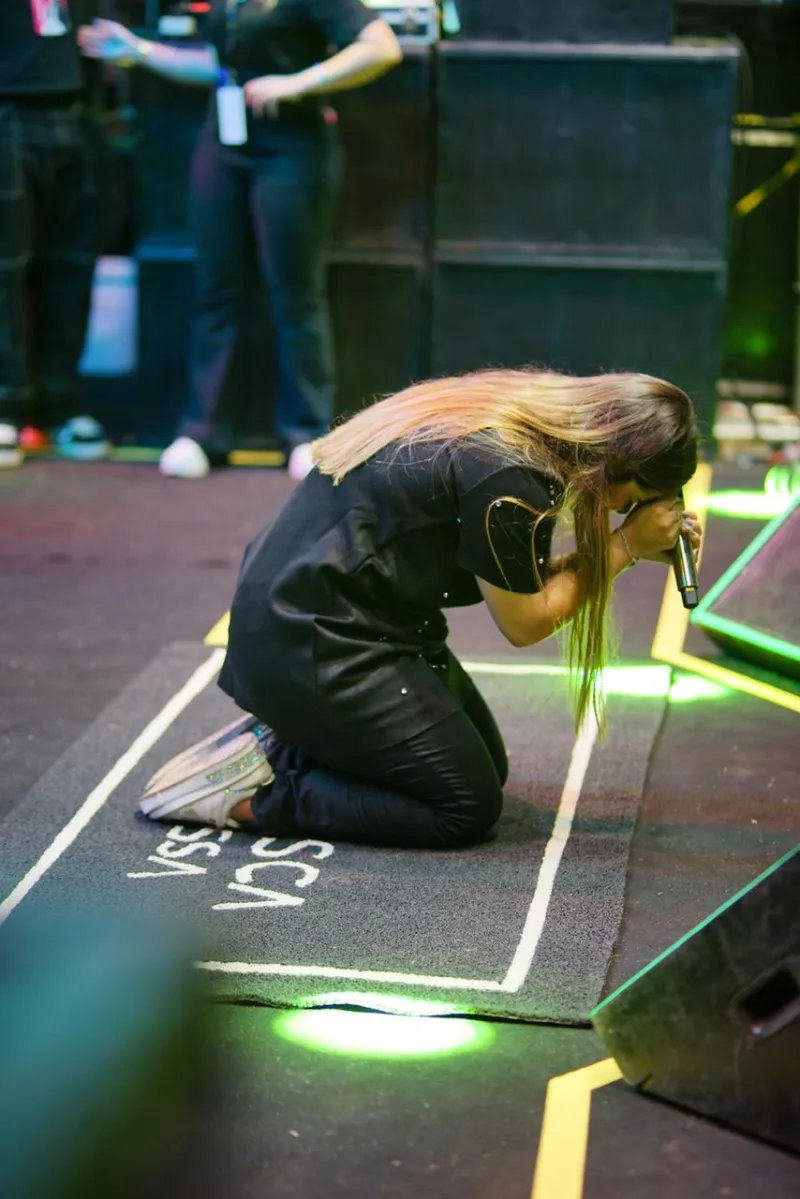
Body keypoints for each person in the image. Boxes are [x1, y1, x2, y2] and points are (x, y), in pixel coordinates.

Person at [138, 367, 704, 850]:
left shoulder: (522, 416)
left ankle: (292, 735)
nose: (617, 512)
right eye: (628, 500)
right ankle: (252, 795)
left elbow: (517, 585)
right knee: (463, 805)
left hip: (343, 613)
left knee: (487, 764)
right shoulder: (512, 476)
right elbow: (525, 621)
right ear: (619, 465)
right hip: (314, 638)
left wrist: (620, 547)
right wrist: (624, 547)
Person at [79, 3, 402, 481]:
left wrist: (299, 81)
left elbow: (382, 48)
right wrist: (143, 52)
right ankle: (202, 431)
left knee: (296, 294)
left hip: (292, 147)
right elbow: (219, 65)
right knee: (216, 290)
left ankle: (306, 432)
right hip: (224, 142)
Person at [0, 0, 111, 470]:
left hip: (78, 116)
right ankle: (7, 405)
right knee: (7, 270)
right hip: (9, 113)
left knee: (71, 268)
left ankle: (62, 401)